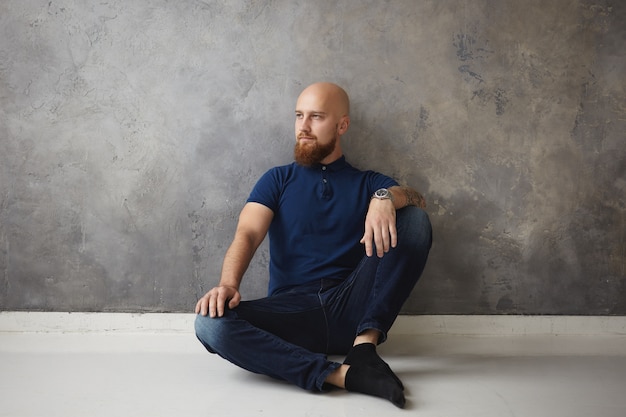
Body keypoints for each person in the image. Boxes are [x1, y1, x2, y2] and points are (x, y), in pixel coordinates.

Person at [194, 82, 432, 408]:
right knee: (210, 323)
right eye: (298, 116)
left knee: (415, 220)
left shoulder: (367, 182)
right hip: (293, 313)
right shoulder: (276, 180)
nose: (303, 127)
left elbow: (418, 200)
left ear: (342, 125)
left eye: (316, 117)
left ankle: (364, 347)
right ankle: (342, 376)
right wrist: (228, 284)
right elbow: (247, 234)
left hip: (352, 304)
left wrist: (385, 197)